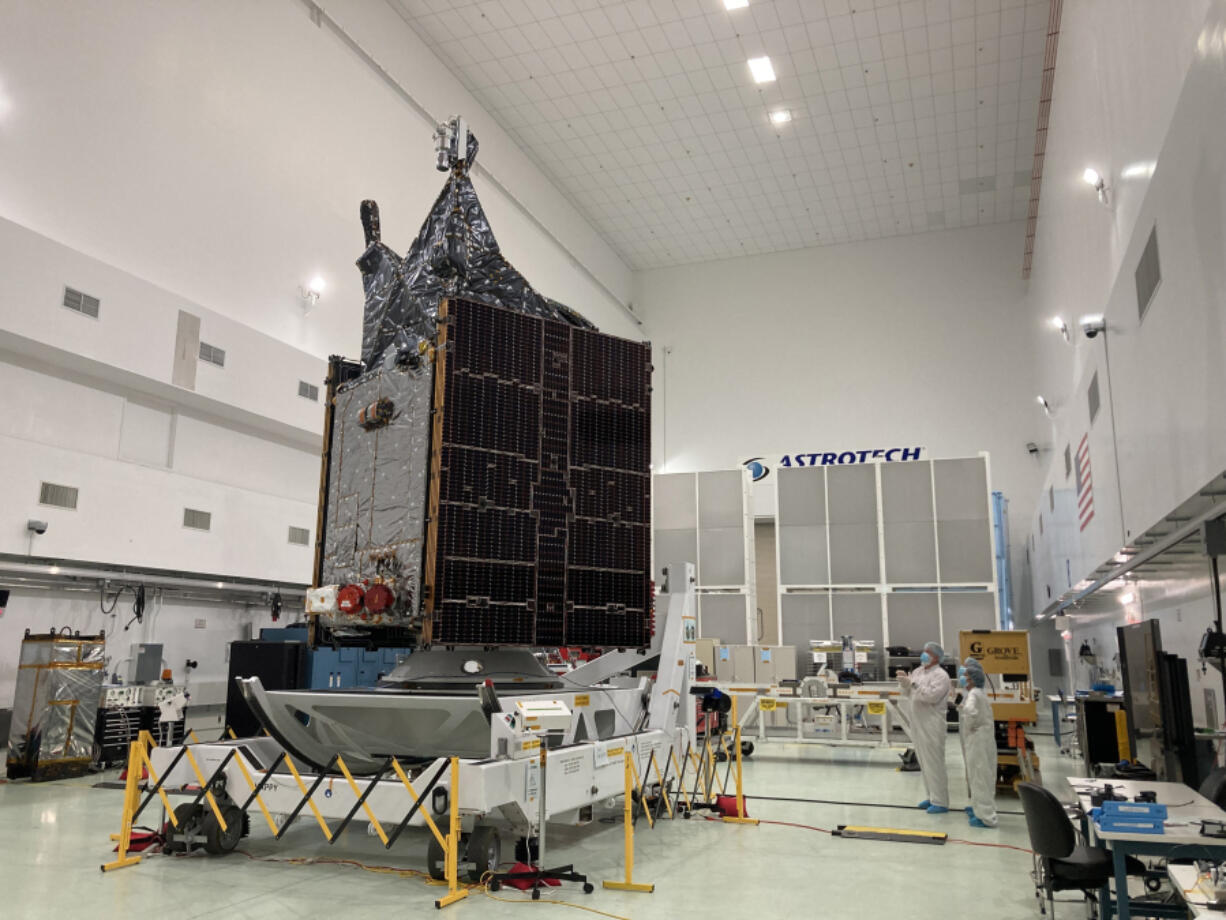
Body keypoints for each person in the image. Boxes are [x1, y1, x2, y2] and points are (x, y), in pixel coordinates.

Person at [898, 640, 951, 814]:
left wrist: (912, 684)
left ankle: (941, 801)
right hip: (918, 722)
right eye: (924, 651)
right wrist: (904, 684)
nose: (924, 654)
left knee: (934, 763)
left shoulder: (941, 676)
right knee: (923, 762)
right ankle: (931, 797)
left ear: (936, 657)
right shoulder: (918, 671)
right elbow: (909, 694)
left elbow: (932, 697)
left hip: (932, 723)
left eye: (928, 652)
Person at [958, 658, 998, 828]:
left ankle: (987, 817)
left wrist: (962, 709)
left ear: (972, 678)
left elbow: (972, 713)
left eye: (965, 674)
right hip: (982, 738)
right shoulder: (978, 692)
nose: (962, 676)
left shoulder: (974, 693)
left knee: (980, 776)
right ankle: (979, 809)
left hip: (978, 738)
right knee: (978, 776)